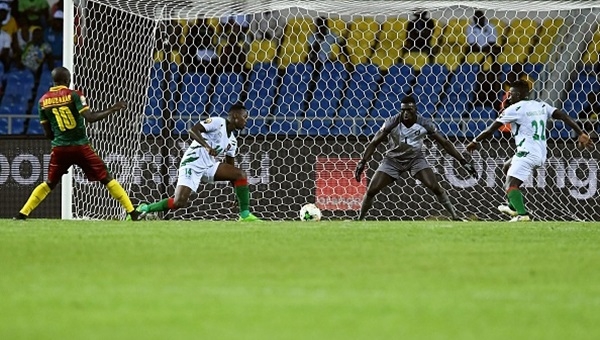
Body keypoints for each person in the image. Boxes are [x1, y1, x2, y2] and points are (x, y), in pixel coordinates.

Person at [14, 67, 143, 221]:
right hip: (80, 146)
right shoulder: (74, 95)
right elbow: (90, 117)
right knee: (106, 178)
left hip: (60, 148)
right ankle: (132, 212)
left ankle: (22, 214)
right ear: (68, 80)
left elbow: (48, 134)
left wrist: (62, 141)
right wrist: (113, 109)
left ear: (53, 81)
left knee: (49, 183)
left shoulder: (43, 101)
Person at [466, 80, 594, 222]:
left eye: (511, 94)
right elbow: (563, 116)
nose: (508, 97)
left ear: (519, 94)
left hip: (527, 154)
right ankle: (513, 207)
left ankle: (522, 215)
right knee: (507, 166)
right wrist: (580, 132)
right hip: (540, 154)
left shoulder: (514, 110)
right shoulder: (541, 105)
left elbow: (491, 129)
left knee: (510, 185)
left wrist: (475, 141)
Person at [354, 96, 478, 221]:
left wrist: (463, 162)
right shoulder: (391, 122)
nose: (406, 113)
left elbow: (445, 143)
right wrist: (362, 162)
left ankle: (455, 216)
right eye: (403, 110)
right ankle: (360, 219)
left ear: (415, 110)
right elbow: (374, 142)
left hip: (415, 160)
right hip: (392, 160)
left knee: (435, 187)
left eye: (409, 110)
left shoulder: (424, 124)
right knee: (371, 190)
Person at [137, 102, 261, 222]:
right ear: (235, 116)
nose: (246, 121)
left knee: (240, 174)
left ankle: (245, 215)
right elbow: (193, 130)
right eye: (244, 117)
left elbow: (230, 168)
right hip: (193, 163)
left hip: (209, 166)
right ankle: (145, 208)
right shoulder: (218, 122)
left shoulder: (233, 141)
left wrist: (237, 195)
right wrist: (207, 146)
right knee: (179, 202)